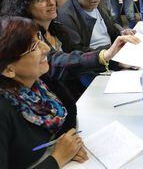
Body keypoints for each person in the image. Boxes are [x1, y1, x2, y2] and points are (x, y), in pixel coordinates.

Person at [0, 0, 140, 98]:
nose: (51, 2)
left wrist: (115, 60)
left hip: (74, 92)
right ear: (24, 7)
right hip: (56, 99)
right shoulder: (28, 39)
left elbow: (78, 52)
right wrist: (105, 55)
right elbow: (58, 61)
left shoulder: (57, 29)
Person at [0, 16, 87, 168]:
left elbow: (70, 110)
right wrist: (57, 159)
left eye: (39, 37)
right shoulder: (4, 111)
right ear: (9, 69)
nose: (46, 48)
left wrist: (68, 140)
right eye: (33, 46)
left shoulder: (39, 81)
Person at [57, 0, 134, 52]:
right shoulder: (66, 16)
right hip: (95, 59)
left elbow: (111, 23)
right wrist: (108, 52)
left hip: (112, 50)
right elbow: (76, 52)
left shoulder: (98, 3)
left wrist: (122, 31)